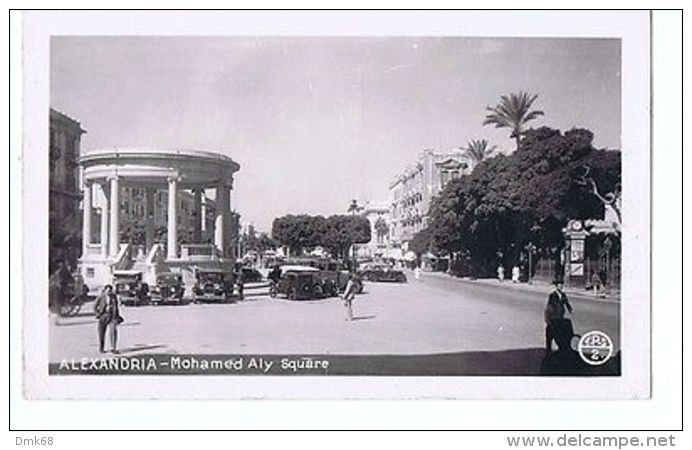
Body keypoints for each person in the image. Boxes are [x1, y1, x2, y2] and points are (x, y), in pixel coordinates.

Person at [544, 281, 574, 354]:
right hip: (554, 315)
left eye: (561, 286)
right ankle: (548, 349)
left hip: (560, 314)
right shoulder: (552, 295)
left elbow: (566, 302)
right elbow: (549, 305)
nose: (561, 287)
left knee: (559, 332)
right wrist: (548, 316)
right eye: (559, 286)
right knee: (550, 332)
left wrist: (570, 309)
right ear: (556, 287)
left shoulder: (563, 295)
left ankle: (560, 348)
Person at [93, 285, 122, 354]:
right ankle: (101, 348)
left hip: (112, 316)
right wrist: (98, 314)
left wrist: (117, 316)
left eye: (110, 291)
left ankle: (113, 348)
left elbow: (116, 306)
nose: (109, 292)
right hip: (103, 315)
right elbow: (94, 306)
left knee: (113, 331)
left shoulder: (114, 297)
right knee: (101, 333)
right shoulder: (101, 297)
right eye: (108, 291)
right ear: (105, 290)